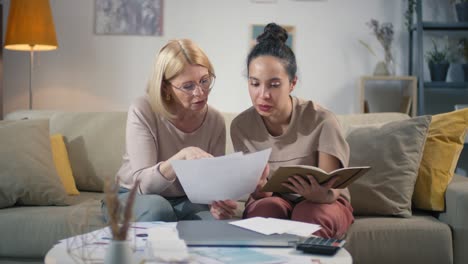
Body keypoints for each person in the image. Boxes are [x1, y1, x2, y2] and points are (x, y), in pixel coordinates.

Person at [229, 23, 354, 238]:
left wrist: (318, 194)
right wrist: (260, 189)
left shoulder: (322, 121)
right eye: (255, 83)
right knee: (265, 211)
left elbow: (332, 190)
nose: (263, 94)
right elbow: (260, 193)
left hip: (324, 201)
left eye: (274, 84)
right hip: (275, 199)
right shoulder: (241, 126)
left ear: (292, 83)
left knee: (308, 213)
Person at [102, 39, 236, 222]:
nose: (201, 92)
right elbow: (144, 185)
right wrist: (183, 156)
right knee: (158, 209)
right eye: (188, 86)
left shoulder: (215, 120)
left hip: (184, 200)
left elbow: (211, 183)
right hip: (131, 194)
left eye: (204, 81)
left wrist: (218, 204)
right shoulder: (143, 109)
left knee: (212, 223)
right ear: (165, 88)